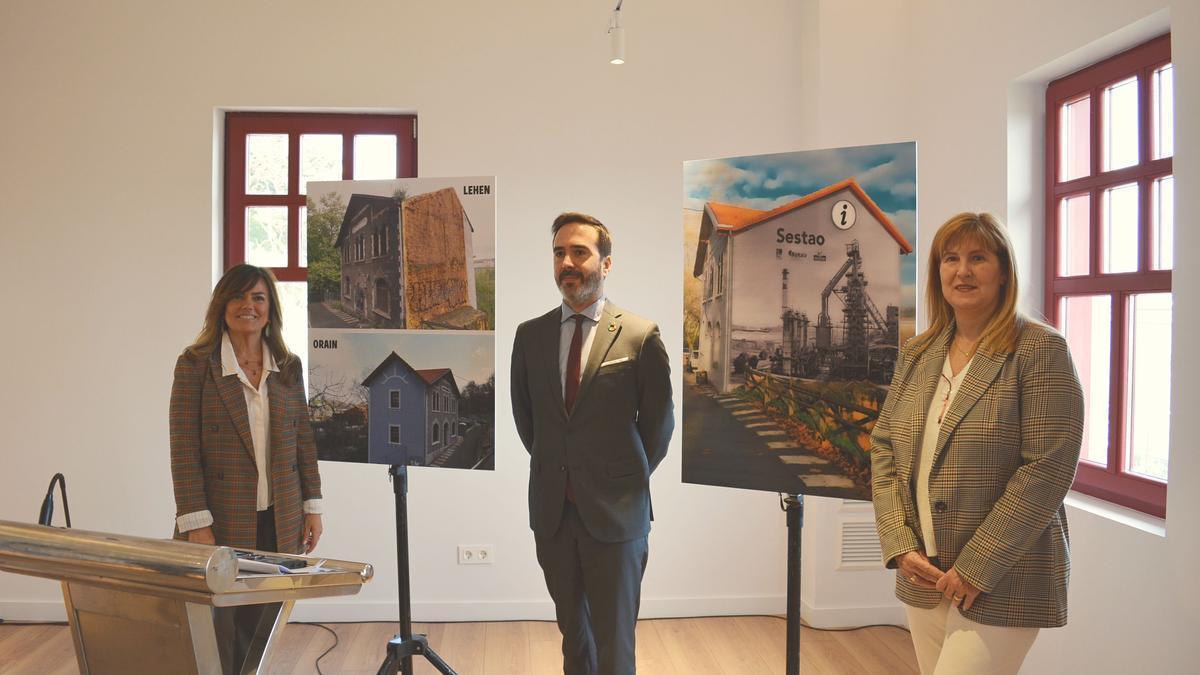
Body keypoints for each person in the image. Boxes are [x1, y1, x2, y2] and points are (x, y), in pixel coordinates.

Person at [871, 212, 1084, 674]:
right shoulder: (918, 352)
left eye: (978, 258)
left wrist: (976, 566)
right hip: (924, 570)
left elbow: (1047, 469)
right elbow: (884, 446)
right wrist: (898, 541)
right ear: (937, 272)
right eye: (951, 258)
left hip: (1002, 576)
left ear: (1003, 271)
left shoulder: (1039, 350)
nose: (962, 271)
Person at [511, 212, 674, 674]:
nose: (568, 262)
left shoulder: (641, 336)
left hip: (617, 515)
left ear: (606, 264)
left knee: (614, 640)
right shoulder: (530, 336)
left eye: (579, 252)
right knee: (573, 635)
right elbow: (530, 423)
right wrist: (560, 467)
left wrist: (618, 476)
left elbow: (658, 427)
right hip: (553, 513)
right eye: (560, 253)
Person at [170, 264, 323, 555]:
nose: (248, 306)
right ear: (222, 305)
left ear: (270, 309)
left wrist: (312, 507)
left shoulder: (289, 366)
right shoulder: (195, 365)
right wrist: (196, 522)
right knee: (223, 601)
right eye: (238, 296)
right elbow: (183, 450)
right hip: (218, 517)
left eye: (258, 298)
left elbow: (304, 442)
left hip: (283, 517)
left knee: (273, 599)